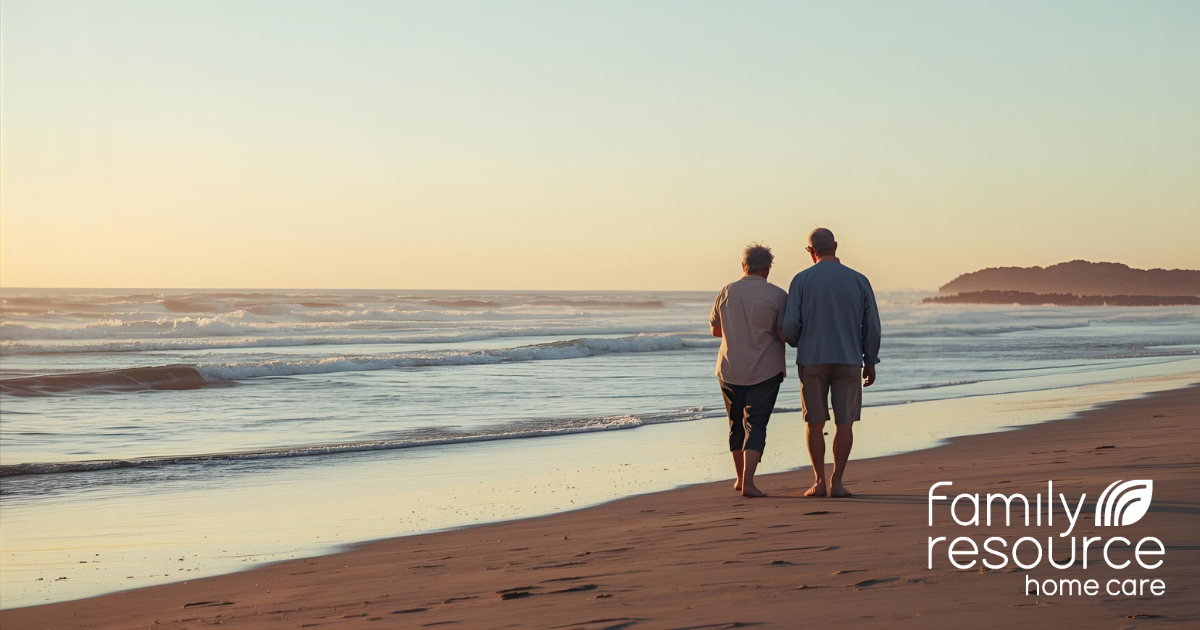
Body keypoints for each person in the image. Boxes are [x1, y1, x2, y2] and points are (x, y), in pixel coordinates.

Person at [782, 228, 881, 498]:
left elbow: (790, 326)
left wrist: (795, 340)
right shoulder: (859, 280)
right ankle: (837, 482)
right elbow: (871, 324)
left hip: (812, 359)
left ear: (810, 251)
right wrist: (870, 360)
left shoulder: (801, 280)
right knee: (844, 423)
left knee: (814, 423)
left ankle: (819, 481)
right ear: (836, 246)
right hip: (849, 359)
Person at [710, 243, 788, 498]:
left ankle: (740, 479)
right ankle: (750, 482)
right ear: (767, 268)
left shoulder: (727, 291)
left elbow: (716, 330)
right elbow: (783, 334)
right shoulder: (777, 295)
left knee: (736, 425)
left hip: (730, 368)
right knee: (756, 424)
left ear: (744, 266)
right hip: (765, 369)